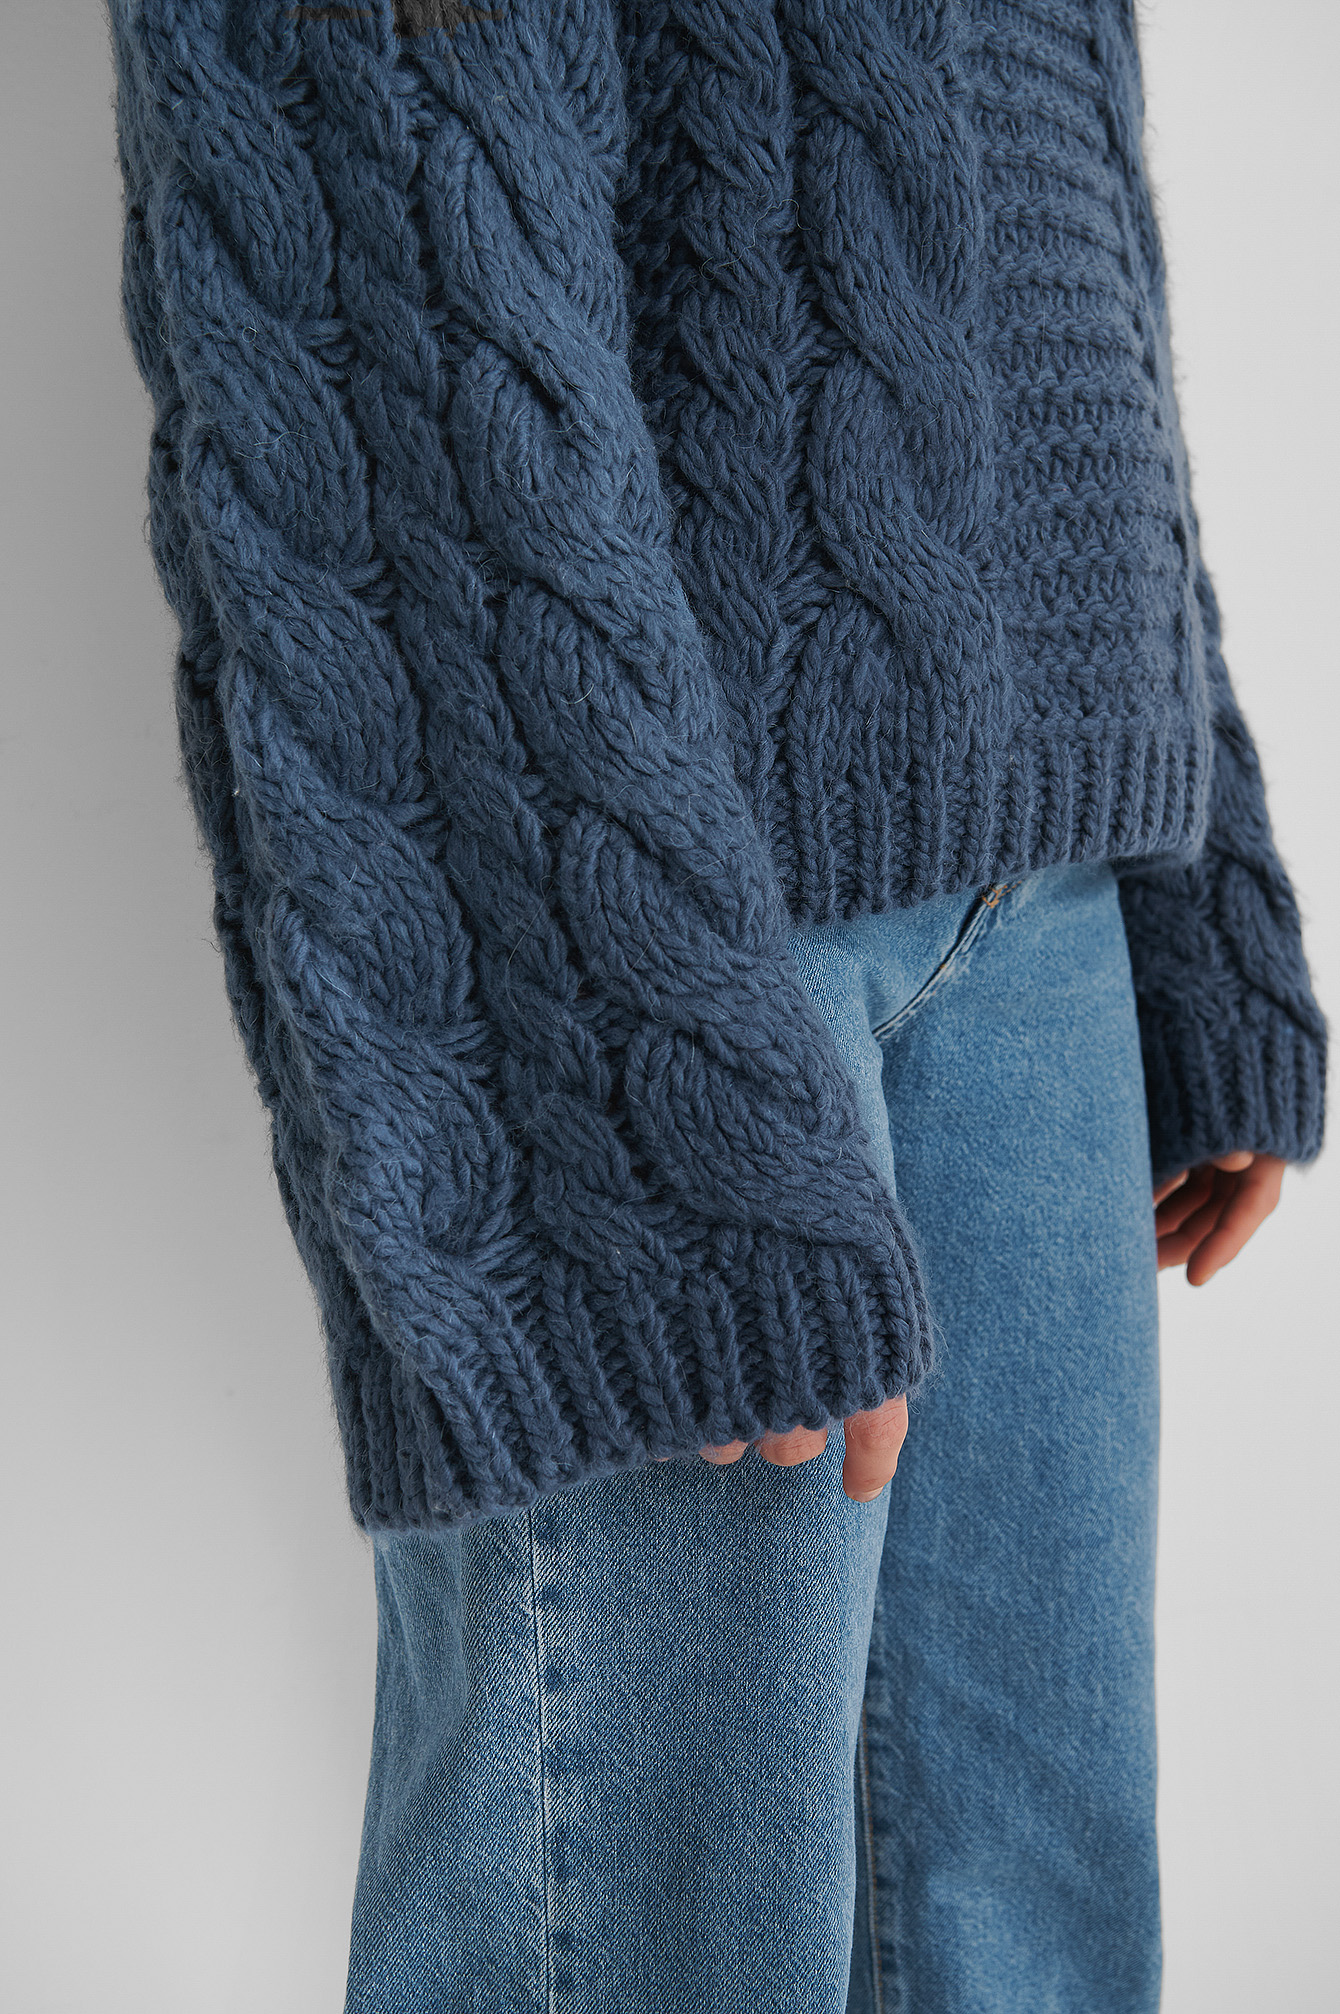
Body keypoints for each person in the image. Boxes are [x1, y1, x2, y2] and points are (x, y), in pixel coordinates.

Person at [109, 2, 1327, 2007]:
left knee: (1036, 1933)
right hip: (655, 918)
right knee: (646, 1939)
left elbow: (1056, 181)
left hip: (1054, 895)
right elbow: (379, 250)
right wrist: (626, 1062)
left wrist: (1198, 870)